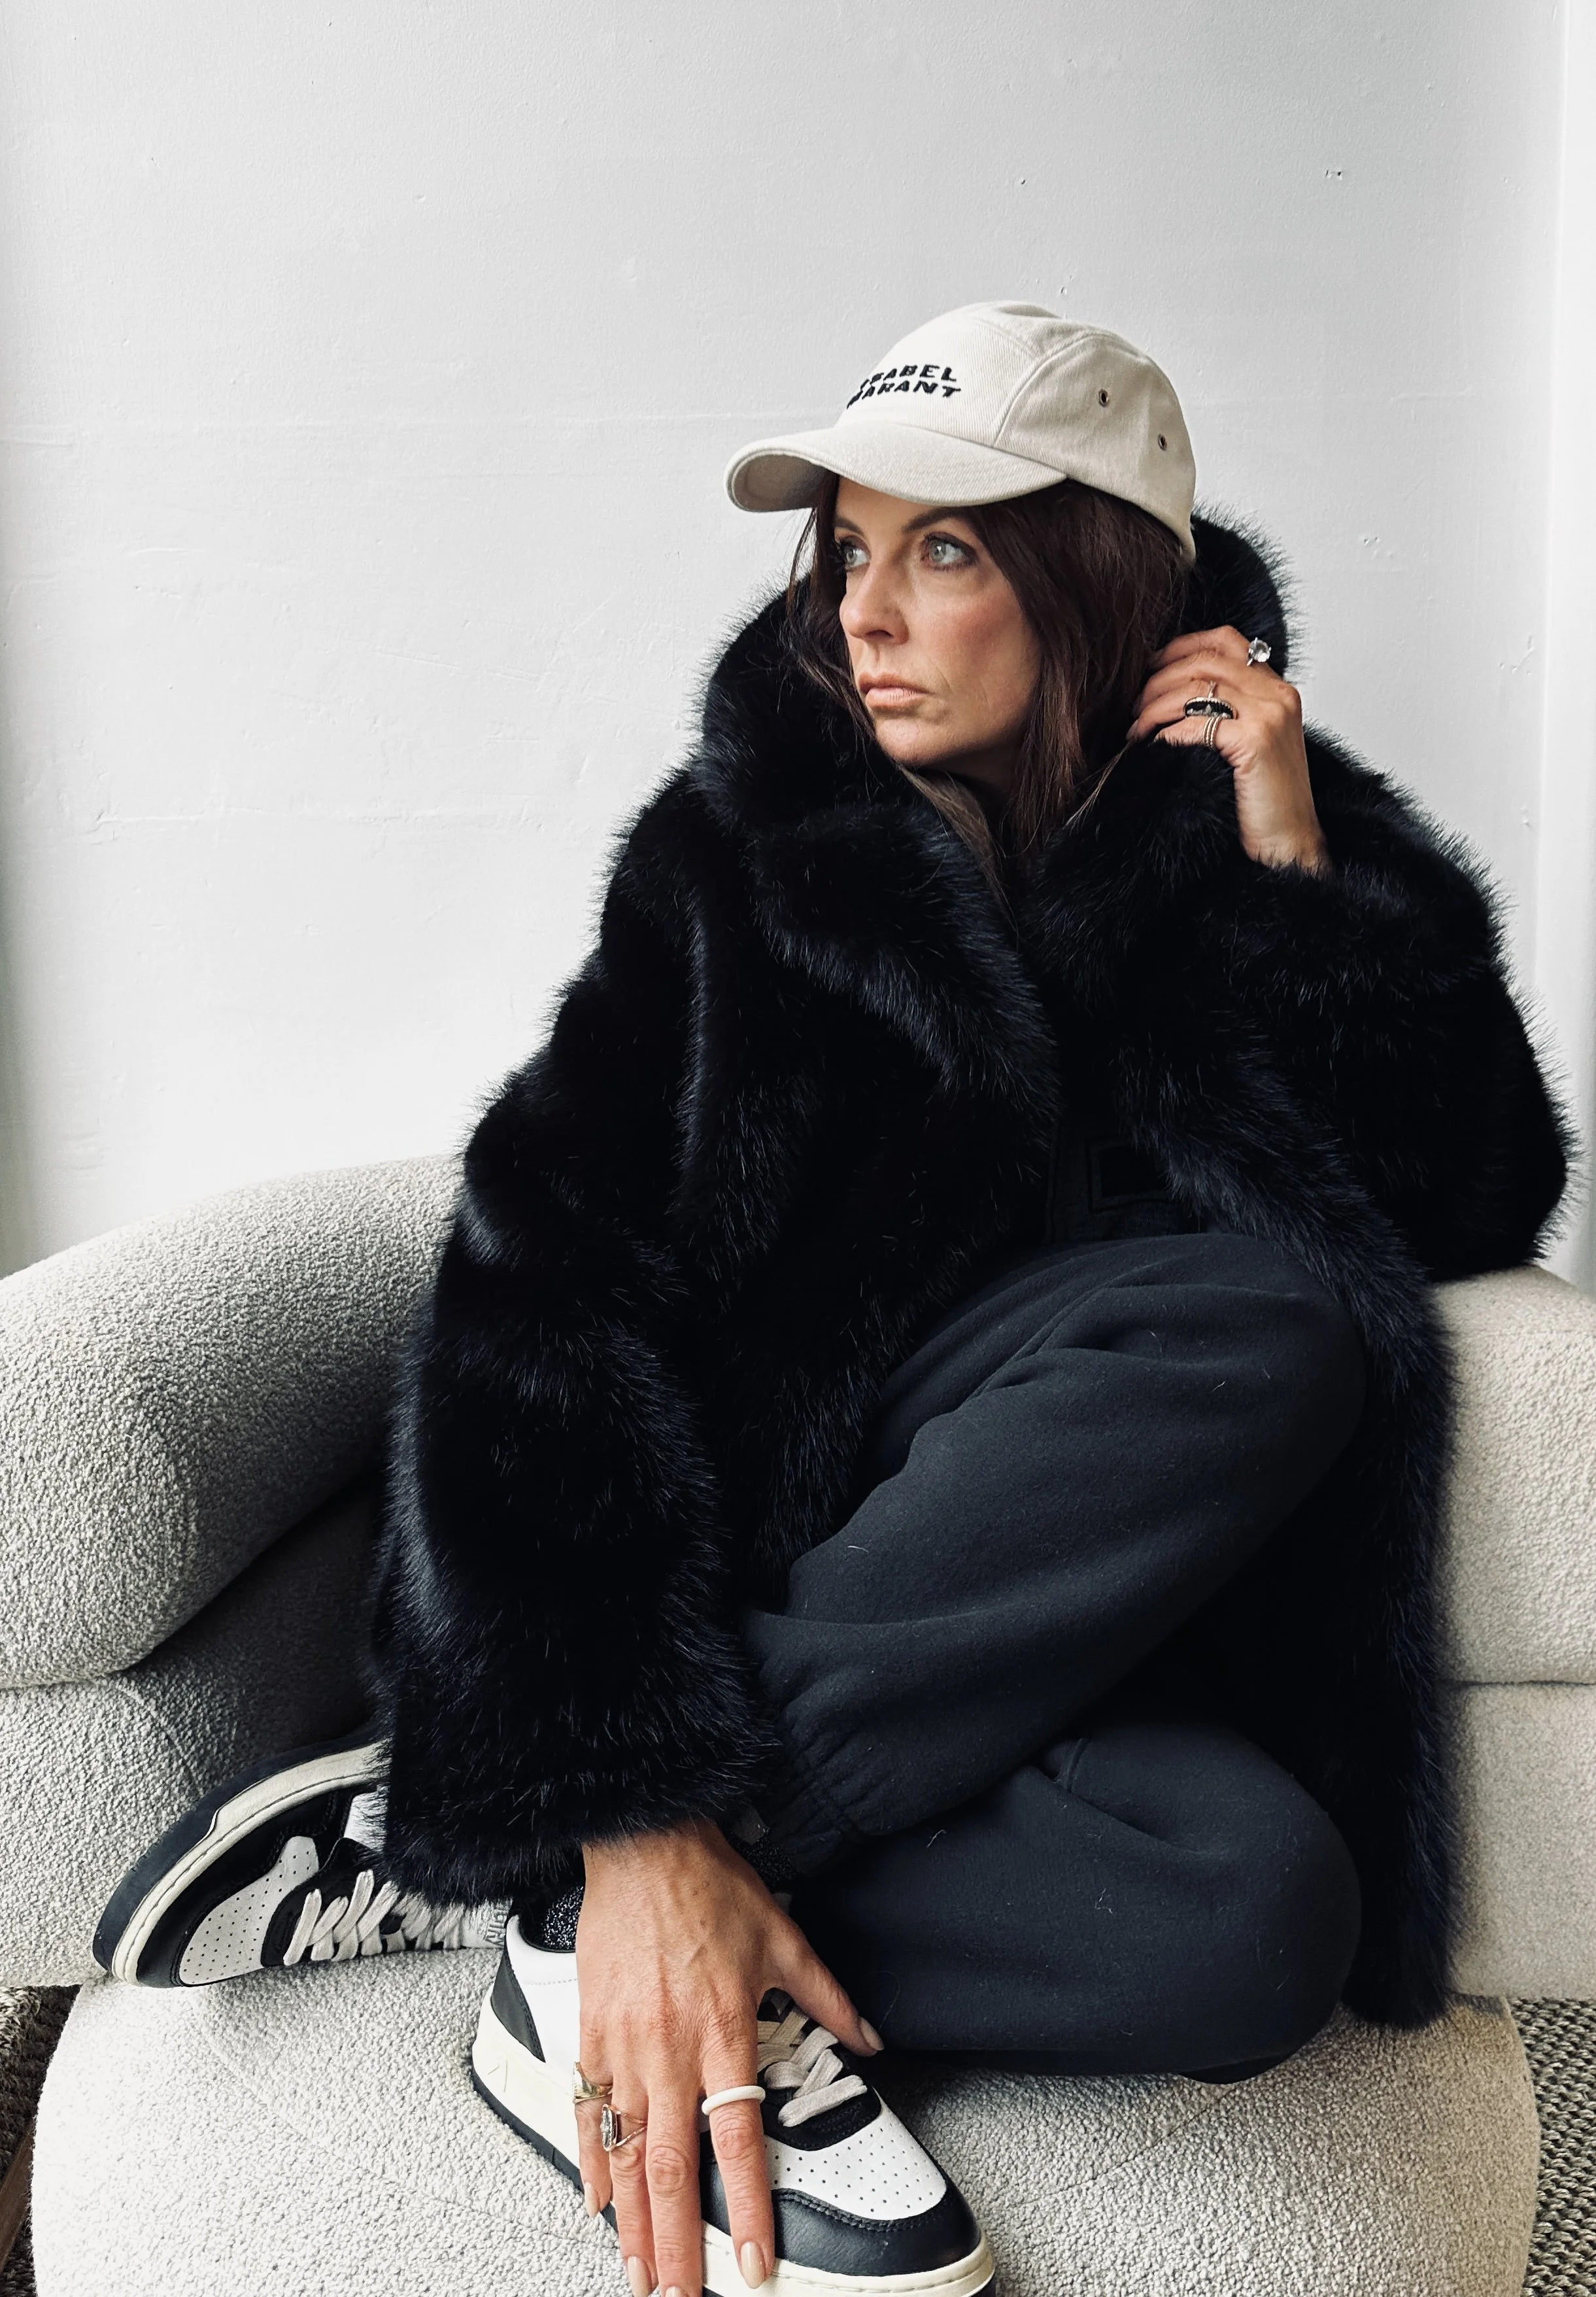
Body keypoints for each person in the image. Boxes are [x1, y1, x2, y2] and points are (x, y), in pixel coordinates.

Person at [94, 302, 1569, 2297]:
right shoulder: (741, 867)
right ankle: (621, 1871)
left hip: (1070, 1658)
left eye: (942, 551)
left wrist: (1292, 884)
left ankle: (530, 1894)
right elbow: (535, 1292)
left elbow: (1479, 1193)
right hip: (756, 1573)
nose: (864, 612)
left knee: (1262, 1916)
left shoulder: (1265, 815)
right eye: (849, 550)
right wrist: (626, 1791)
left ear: (1104, 582)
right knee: (1261, 1313)